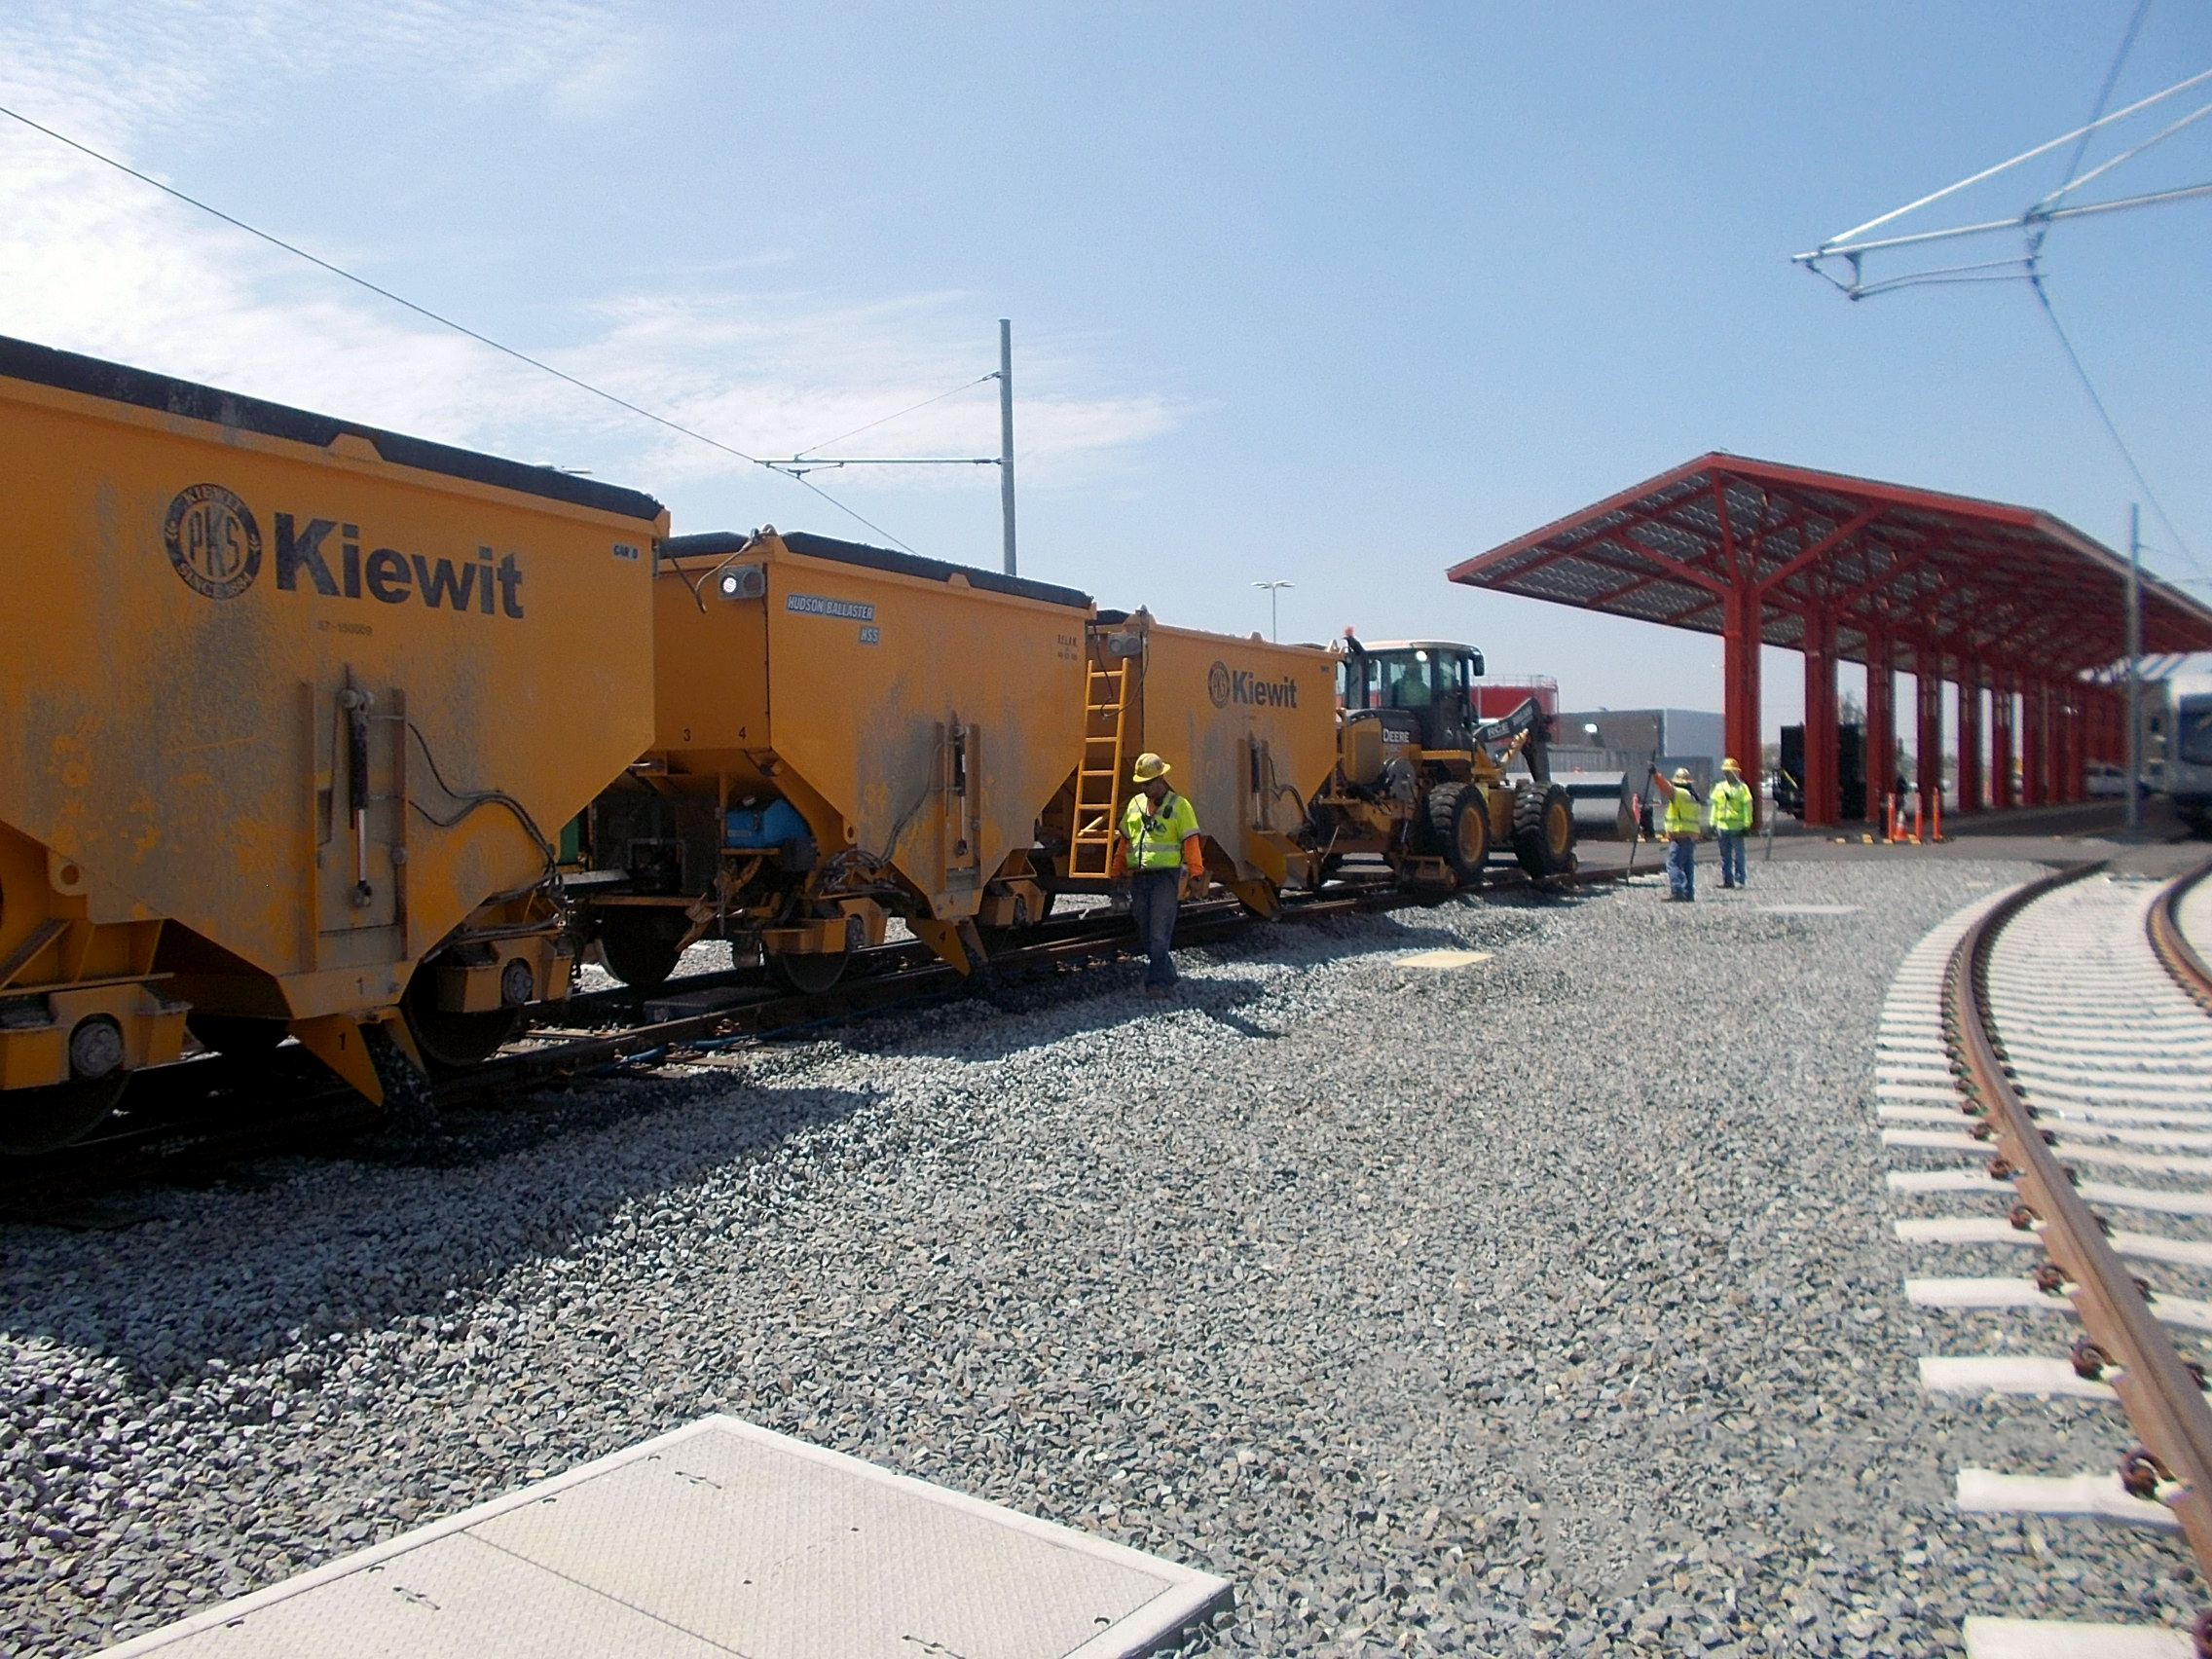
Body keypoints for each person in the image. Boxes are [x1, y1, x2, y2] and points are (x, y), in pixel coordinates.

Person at [1108, 753, 1205, 998]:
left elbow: (1191, 843)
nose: (1144, 787)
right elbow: (1125, 841)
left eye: (1148, 782)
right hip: (1140, 877)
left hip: (1166, 877)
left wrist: (1195, 874)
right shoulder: (1135, 805)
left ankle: (1156, 983)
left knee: (1159, 932)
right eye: (1141, 783)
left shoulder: (1179, 806)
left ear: (1161, 779)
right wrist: (1116, 869)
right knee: (1144, 929)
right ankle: (1168, 973)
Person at [1648, 765, 1704, 902]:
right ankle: (1688, 892)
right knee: (1687, 865)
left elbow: (1665, 787)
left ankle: (1678, 890)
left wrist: (1655, 774)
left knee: (1673, 864)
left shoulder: (1680, 794)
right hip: (1690, 836)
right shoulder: (1693, 796)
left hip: (1680, 835)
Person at [1710, 757, 1753, 889]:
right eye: (1726, 772)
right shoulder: (1719, 787)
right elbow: (1715, 806)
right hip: (1722, 826)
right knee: (1725, 856)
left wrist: (1747, 824)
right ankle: (1727, 880)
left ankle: (1740, 880)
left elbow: (1747, 807)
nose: (1728, 774)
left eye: (1730, 772)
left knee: (1739, 855)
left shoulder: (1742, 788)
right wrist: (1713, 822)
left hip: (1737, 826)